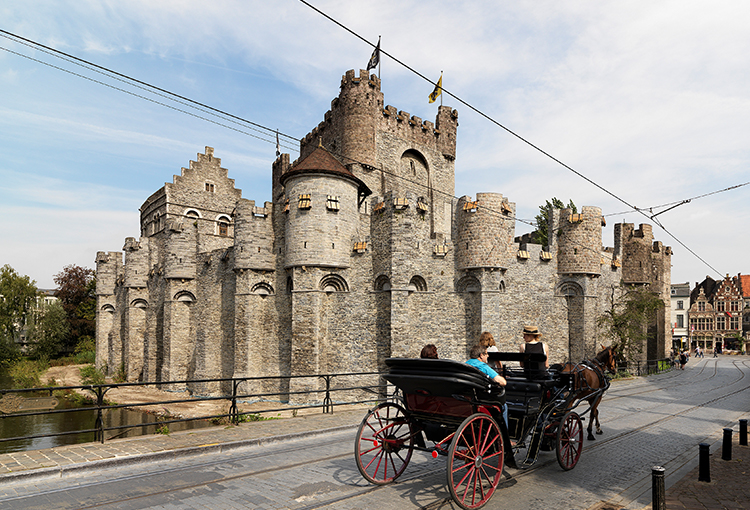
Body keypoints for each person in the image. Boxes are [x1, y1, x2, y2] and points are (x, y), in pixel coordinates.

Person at [466, 344, 507, 424]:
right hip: (481, 399)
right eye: (486, 354)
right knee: (504, 407)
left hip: (467, 398)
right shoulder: (482, 366)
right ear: (481, 355)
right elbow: (503, 382)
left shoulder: (466, 364)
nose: (488, 356)